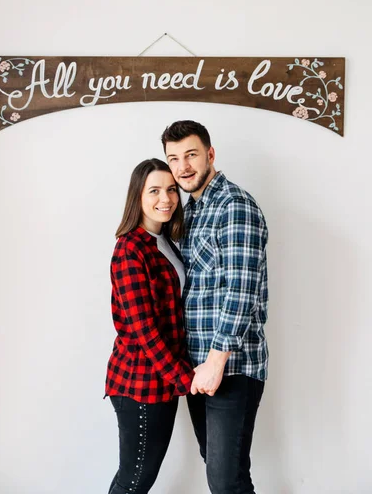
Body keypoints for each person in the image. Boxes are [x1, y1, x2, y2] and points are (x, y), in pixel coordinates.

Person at [161, 120, 269, 494]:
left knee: (224, 481)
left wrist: (216, 362)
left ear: (210, 154)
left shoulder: (233, 205)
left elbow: (241, 289)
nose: (182, 167)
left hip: (230, 367)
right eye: (173, 158)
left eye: (191, 155)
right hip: (199, 367)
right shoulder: (190, 212)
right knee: (228, 475)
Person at [104, 158, 194, 494]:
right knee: (134, 480)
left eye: (171, 190)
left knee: (141, 477)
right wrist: (186, 378)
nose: (166, 198)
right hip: (139, 383)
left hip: (163, 381)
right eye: (154, 190)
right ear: (137, 197)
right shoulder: (130, 249)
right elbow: (145, 331)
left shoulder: (165, 242)